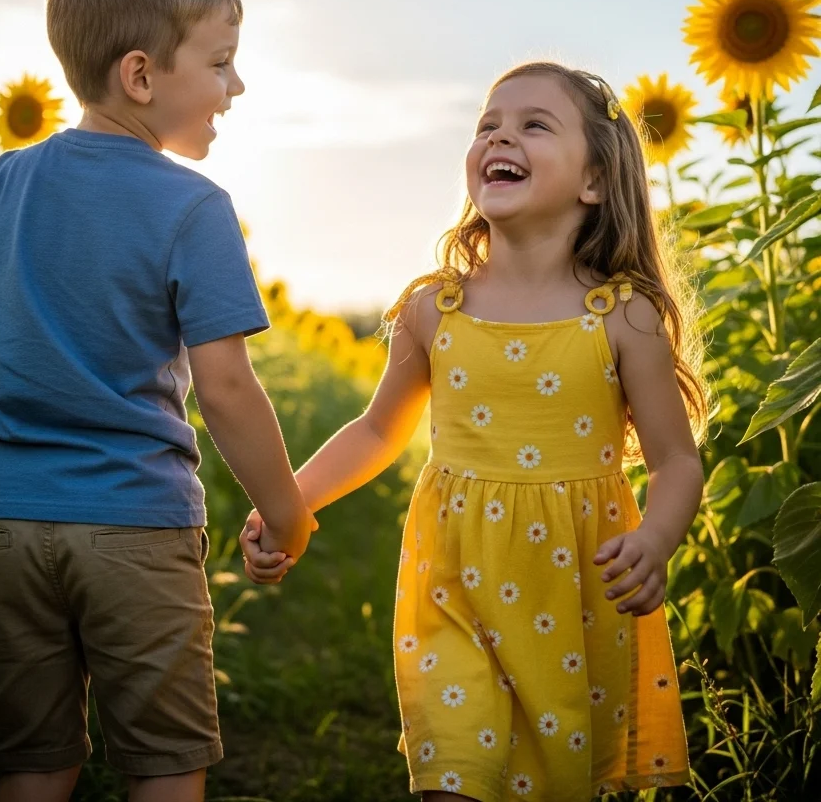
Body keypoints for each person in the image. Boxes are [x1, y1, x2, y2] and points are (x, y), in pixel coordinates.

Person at [0, 0, 314, 802]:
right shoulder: (195, 206)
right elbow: (225, 386)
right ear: (141, 77)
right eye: (221, 63)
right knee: (165, 765)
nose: (236, 86)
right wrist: (286, 510)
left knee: (32, 765)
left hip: (1, 530)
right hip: (134, 526)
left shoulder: (5, 181)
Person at [242, 61, 707, 800]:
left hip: (574, 588)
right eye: (488, 124)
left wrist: (655, 539)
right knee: (451, 775)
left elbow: (676, 460)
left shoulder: (623, 316)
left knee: (559, 782)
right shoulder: (435, 308)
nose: (500, 135)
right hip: (452, 579)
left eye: (533, 124)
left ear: (594, 181)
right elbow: (375, 432)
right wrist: (287, 503)